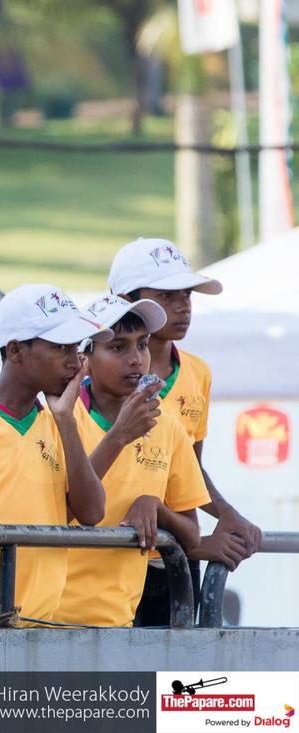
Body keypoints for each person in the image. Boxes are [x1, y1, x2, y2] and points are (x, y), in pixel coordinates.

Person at [0, 284, 110, 627]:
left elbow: (92, 512)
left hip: (38, 624)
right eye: (60, 347)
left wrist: (64, 418)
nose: (75, 361)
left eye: (76, 348)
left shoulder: (61, 423)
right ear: (15, 350)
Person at [108, 238, 261, 625]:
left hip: (175, 551)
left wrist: (226, 514)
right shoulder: (101, 380)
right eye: (166, 296)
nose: (183, 306)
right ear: (126, 300)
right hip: (111, 549)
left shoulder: (197, 372)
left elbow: (191, 468)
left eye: (187, 294)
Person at [53, 295, 209, 627]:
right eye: (118, 347)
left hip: (119, 621)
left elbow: (192, 536)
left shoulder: (167, 424)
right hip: (46, 617)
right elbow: (59, 512)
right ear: (85, 359)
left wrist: (155, 506)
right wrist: (120, 435)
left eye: (142, 345)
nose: (136, 359)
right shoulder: (59, 417)